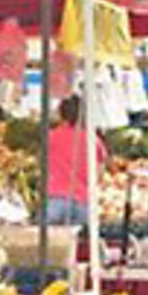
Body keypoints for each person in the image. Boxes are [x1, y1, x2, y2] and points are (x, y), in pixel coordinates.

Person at [45, 95, 106, 227]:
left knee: (53, 245)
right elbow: (99, 173)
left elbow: (43, 166)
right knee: (79, 245)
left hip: (56, 199)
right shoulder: (93, 140)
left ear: (62, 114)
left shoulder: (52, 137)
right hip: (83, 201)